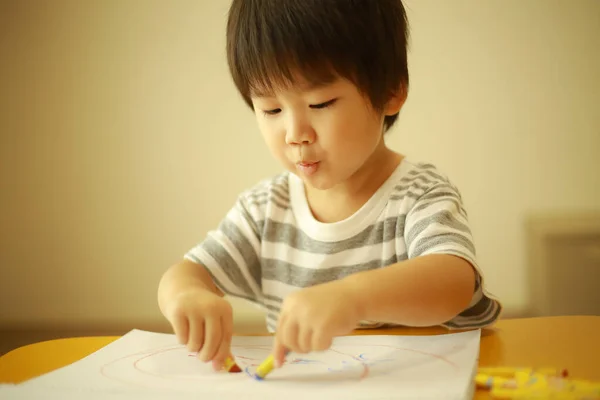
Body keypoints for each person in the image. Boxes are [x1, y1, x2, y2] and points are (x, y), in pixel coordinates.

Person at [158, 0, 502, 371]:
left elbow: (453, 281)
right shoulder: (265, 210)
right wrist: (188, 295)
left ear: (390, 91)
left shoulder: (418, 194)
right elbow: (187, 273)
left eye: (320, 103)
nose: (295, 134)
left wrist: (353, 297)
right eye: (272, 109)